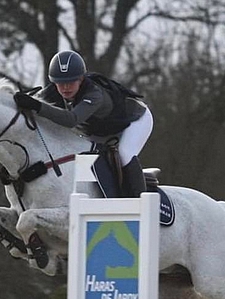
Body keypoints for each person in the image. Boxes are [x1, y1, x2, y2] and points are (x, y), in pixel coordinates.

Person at [13, 50, 153, 198]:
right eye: (60, 83)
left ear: (80, 79)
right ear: (53, 82)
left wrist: (36, 105)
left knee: (125, 154)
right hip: (101, 129)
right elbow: (35, 107)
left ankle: (139, 202)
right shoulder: (52, 92)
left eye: (71, 82)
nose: (66, 87)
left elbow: (71, 119)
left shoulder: (94, 94)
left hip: (136, 120)